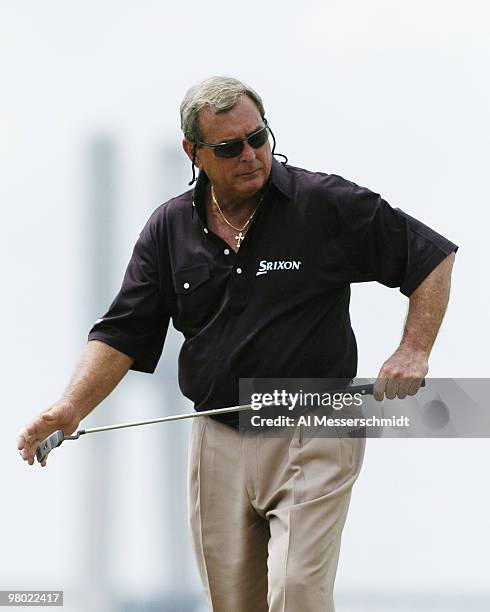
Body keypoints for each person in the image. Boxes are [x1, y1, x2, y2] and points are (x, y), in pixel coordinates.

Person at [18, 76, 457, 611]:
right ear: (193, 152)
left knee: (297, 594)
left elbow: (430, 255)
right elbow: (122, 331)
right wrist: (70, 407)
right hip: (217, 434)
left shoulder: (324, 203)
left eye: (259, 138)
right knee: (234, 605)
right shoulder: (169, 227)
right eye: (229, 147)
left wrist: (413, 348)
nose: (250, 155)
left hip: (313, 426)